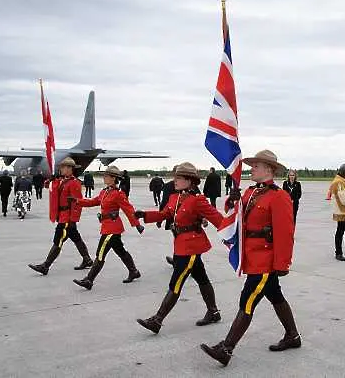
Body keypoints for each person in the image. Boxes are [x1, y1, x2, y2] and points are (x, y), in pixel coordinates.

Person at [201, 150, 300, 367]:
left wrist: (283, 263)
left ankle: (226, 348)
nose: (252, 168)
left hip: (266, 260)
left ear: (269, 169)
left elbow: (285, 233)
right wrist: (232, 200)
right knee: (276, 297)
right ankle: (293, 336)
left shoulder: (279, 196)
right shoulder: (249, 192)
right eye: (252, 164)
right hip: (251, 256)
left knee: (247, 300)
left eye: (256, 165)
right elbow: (232, 214)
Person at [134, 162, 224, 334]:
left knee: (176, 282)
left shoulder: (197, 200)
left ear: (190, 181)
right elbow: (165, 214)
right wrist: (145, 214)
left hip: (190, 246)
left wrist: (234, 229)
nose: (175, 180)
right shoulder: (175, 198)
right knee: (202, 278)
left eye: (179, 177)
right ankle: (213, 312)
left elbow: (218, 219)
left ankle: (157, 320)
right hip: (181, 244)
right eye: (175, 176)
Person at [72, 166, 145, 290]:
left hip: (113, 228)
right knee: (120, 250)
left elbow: (128, 209)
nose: (104, 177)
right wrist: (77, 201)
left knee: (100, 253)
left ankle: (89, 280)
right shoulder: (105, 192)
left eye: (106, 176)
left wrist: (137, 224)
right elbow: (94, 201)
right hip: (107, 227)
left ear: (113, 178)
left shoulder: (118, 194)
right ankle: (134, 271)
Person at [28, 157, 93, 275]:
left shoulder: (74, 183)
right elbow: (48, 186)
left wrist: (73, 219)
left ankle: (45, 266)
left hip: (67, 218)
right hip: (62, 215)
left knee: (58, 241)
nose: (61, 169)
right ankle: (87, 260)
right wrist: (50, 180)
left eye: (63, 167)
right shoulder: (61, 180)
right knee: (76, 239)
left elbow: (77, 202)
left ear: (69, 169)